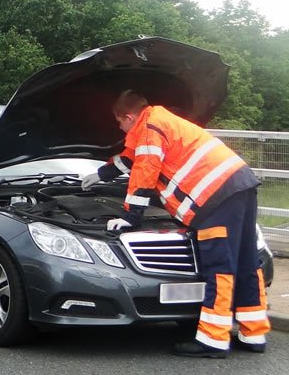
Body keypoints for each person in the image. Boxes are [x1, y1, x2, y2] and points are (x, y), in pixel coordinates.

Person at [81, 90, 270, 358]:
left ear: (128, 116)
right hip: (239, 185)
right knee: (246, 260)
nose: (119, 128)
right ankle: (254, 333)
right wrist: (100, 173)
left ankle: (213, 340)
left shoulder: (149, 127)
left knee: (219, 266)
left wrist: (129, 217)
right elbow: (130, 159)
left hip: (215, 196)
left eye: (119, 122)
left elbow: (145, 173)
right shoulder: (157, 120)